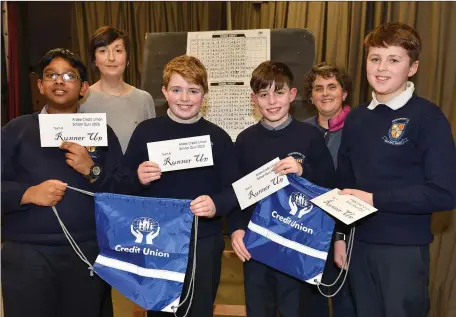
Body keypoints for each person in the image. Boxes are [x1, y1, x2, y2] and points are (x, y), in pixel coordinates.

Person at [337, 22, 456, 317]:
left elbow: (444, 194)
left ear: (412, 68)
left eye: (394, 59)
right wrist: (340, 237)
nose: (381, 68)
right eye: (375, 58)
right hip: (358, 247)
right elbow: (344, 184)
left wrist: (375, 200)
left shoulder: (428, 118)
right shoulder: (356, 119)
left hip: (403, 251)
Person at [1, 48, 123, 317]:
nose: (59, 80)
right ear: (40, 85)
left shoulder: (101, 133)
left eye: (69, 75)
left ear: (83, 88)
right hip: (28, 255)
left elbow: (123, 193)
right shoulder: (16, 130)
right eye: (51, 75)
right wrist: (27, 193)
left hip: (87, 252)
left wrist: (92, 170)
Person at [120, 55, 240, 317]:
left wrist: (216, 204)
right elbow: (121, 183)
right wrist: (137, 177)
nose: (184, 98)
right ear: (165, 92)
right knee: (159, 311)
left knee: (199, 309)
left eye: (193, 91)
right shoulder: (146, 132)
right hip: (157, 241)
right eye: (177, 90)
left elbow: (234, 190)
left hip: (204, 242)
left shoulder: (218, 138)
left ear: (204, 95)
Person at [228, 60, 335, 317]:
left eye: (279, 92)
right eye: (264, 94)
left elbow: (331, 186)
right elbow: (235, 193)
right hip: (257, 246)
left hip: (298, 245)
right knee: (259, 309)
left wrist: (303, 171)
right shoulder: (245, 140)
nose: (272, 101)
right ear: (254, 99)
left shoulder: (310, 137)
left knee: (298, 310)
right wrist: (235, 229)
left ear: (293, 94)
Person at [302, 62, 356, 317]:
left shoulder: (360, 128)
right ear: (311, 96)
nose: (325, 93)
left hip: (352, 230)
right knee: (312, 305)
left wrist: (341, 236)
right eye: (318, 88)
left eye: (332, 86)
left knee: (349, 302)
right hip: (309, 229)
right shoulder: (301, 131)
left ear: (344, 93)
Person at [79, 26, 156, 153]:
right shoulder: (81, 100)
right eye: (103, 51)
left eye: (118, 51)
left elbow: (151, 147)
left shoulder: (144, 99)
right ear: (94, 60)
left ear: (127, 60)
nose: (111, 58)